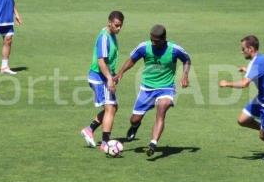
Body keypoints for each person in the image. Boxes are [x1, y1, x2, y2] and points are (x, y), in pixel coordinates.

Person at [115, 24, 191, 156]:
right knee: (134, 119)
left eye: (156, 41)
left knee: (161, 109)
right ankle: (135, 127)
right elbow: (132, 60)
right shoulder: (144, 47)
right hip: (147, 88)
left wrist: (185, 75)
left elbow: (187, 60)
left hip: (166, 88)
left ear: (164, 39)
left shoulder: (174, 49)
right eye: (152, 40)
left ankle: (153, 143)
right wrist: (121, 73)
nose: (153, 43)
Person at [219, 35, 264, 160]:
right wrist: (247, 69)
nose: (241, 51)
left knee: (263, 136)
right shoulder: (261, 58)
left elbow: (244, 84)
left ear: (250, 49)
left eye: (243, 49)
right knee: (242, 120)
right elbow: (261, 70)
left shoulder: (256, 63)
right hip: (262, 99)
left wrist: (227, 83)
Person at [80, 11, 125, 152]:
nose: (119, 29)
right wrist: (110, 79)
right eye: (116, 25)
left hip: (104, 76)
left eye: (121, 26)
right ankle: (105, 143)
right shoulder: (104, 38)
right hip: (99, 78)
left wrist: (114, 74)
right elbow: (101, 62)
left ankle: (89, 129)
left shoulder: (110, 34)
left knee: (112, 108)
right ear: (109, 23)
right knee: (110, 108)